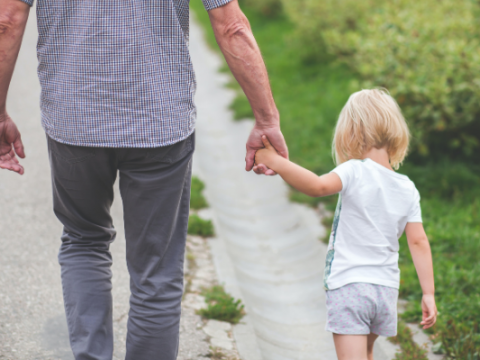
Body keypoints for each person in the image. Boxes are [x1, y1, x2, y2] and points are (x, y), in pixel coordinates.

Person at [0, 0, 286, 358]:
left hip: (75, 119)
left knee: (83, 241)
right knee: (157, 271)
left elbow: (7, 19)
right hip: (159, 121)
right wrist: (266, 119)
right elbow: (232, 26)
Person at [254, 89, 437, 360]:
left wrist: (276, 161)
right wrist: (428, 293)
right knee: (366, 351)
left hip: (351, 287)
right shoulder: (407, 187)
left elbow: (316, 186)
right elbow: (418, 241)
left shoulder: (354, 170)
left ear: (351, 132)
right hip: (385, 291)